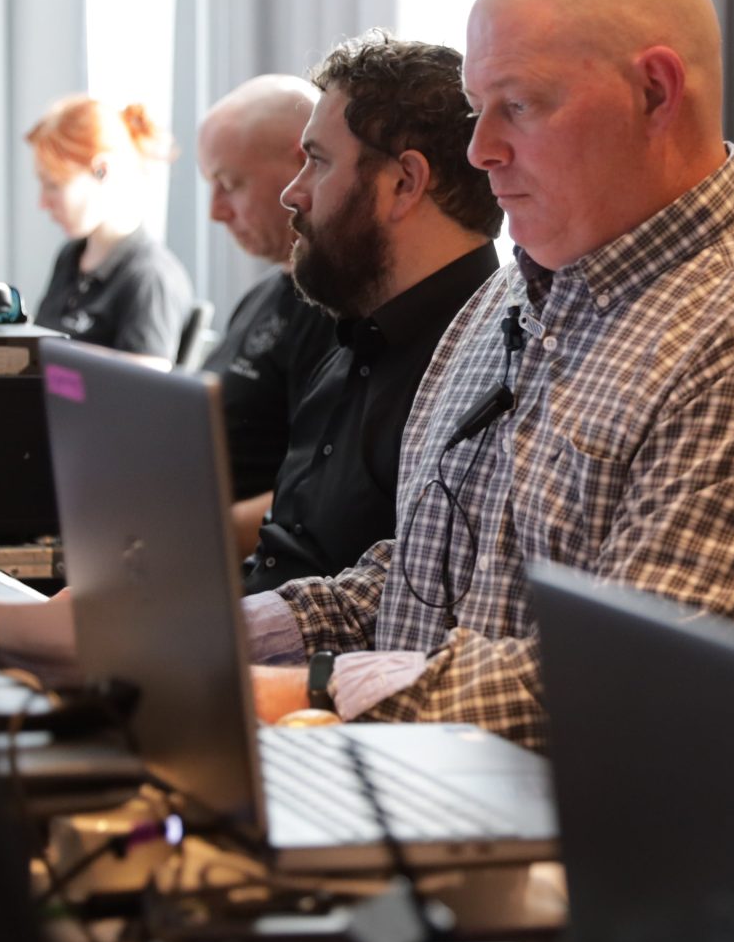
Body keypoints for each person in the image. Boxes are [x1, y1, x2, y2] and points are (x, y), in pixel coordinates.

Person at [240, 0, 734, 749]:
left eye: (518, 106)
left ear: (655, 91)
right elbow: (418, 583)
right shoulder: (512, 298)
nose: (480, 153)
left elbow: (624, 683)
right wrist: (227, 638)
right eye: (480, 112)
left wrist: (308, 689)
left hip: (630, 853)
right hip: (441, 793)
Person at [245, 33, 501, 589]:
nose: (293, 193)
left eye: (316, 161)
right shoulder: (355, 336)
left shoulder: (484, 376)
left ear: (404, 183)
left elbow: (404, 614)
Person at [195, 74, 333, 539]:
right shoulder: (262, 294)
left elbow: (320, 490)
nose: (215, 210)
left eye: (229, 184)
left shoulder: (335, 314)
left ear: (303, 165)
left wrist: (187, 536)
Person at [29, 94, 194, 362]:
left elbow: (145, 388)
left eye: (53, 185)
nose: (42, 203)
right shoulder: (70, 257)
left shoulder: (150, 278)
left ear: (102, 170)